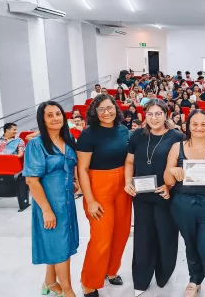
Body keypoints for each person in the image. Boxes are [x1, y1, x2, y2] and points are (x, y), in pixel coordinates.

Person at [164, 109, 205, 297]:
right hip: (182, 204)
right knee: (191, 244)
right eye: (195, 124)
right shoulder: (177, 147)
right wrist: (174, 171)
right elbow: (168, 179)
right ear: (188, 126)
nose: (199, 128)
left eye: (203, 124)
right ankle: (195, 279)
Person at [123, 99, 183, 296]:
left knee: (166, 235)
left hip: (166, 194)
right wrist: (128, 182)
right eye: (150, 114)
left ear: (166, 115)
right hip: (140, 195)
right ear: (144, 115)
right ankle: (141, 279)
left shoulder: (176, 136)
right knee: (143, 237)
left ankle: (163, 276)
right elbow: (130, 161)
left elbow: (180, 167)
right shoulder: (137, 135)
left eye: (158, 113)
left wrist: (169, 184)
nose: (154, 118)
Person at [76, 94, 132, 297]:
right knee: (101, 238)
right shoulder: (88, 134)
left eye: (110, 108)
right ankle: (89, 283)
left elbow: (130, 160)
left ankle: (111, 270)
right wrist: (90, 200)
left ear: (116, 109)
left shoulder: (124, 130)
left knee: (121, 233)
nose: (107, 112)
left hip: (122, 185)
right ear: (95, 112)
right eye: (101, 109)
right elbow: (82, 169)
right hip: (99, 187)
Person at [23, 101, 80, 297]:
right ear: (43, 120)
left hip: (67, 202)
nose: (56, 118)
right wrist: (46, 210)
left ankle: (49, 283)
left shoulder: (68, 138)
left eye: (58, 113)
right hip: (49, 203)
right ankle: (67, 290)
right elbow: (32, 180)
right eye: (49, 115)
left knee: (58, 243)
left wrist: (75, 180)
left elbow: (73, 163)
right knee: (61, 247)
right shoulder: (36, 144)